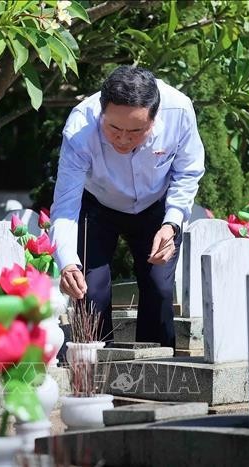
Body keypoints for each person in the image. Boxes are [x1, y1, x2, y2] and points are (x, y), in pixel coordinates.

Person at [49, 66, 205, 348]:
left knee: (158, 287)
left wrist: (172, 223)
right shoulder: (80, 127)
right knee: (90, 291)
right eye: (114, 129)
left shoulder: (179, 111)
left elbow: (188, 172)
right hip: (96, 204)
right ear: (101, 112)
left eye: (136, 131)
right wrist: (67, 261)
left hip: (157, 206)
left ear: (155, 118)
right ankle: (94, 373)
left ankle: (157, 372)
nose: (122, 139)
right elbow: (65, 204)